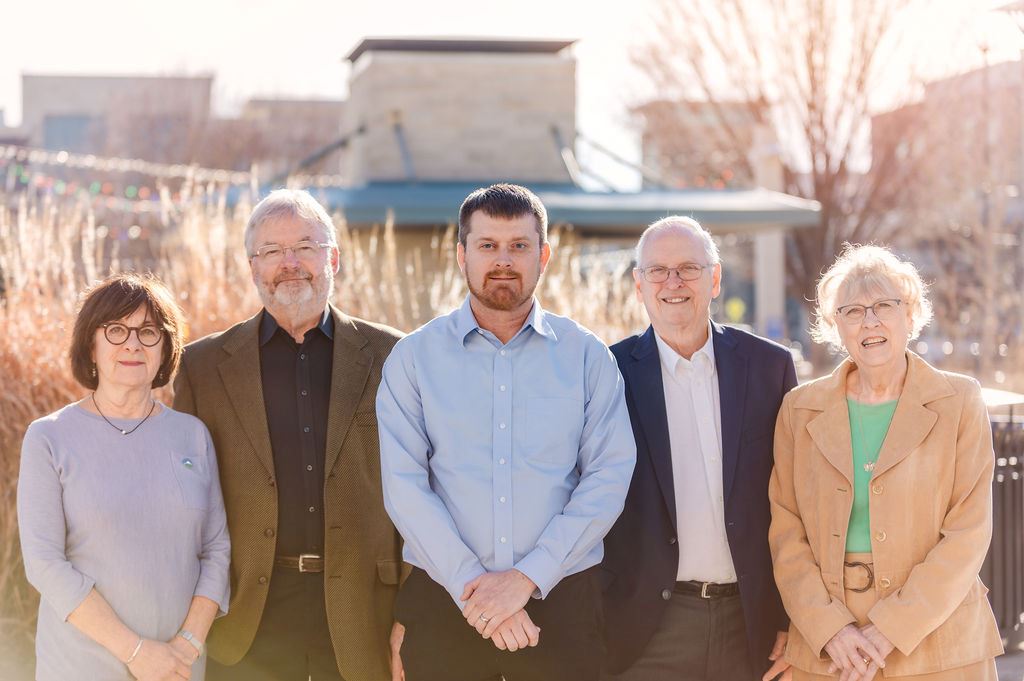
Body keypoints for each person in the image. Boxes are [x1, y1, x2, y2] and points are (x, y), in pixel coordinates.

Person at [377, 183, 636, 681]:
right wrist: (476, 589)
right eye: (487, 245)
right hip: (446, 606)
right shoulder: (413, 358)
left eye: (519, 246)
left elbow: (607, 478)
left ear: (544, 255)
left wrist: (525, 580)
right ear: (461, 254)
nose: (503, 260)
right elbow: (404, 488)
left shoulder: (586, 357)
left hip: (562, 607)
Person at [172, 189, 405, 681]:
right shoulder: (203, 366)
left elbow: (422, 491)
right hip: (248, 618)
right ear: (253, 266)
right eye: (272, 251)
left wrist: (413, 613)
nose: (290, 263)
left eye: (305, 246)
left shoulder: (394, 357)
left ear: (333, 258)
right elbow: (185, 499)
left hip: (364, 611)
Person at [768, 244, 1004, 680]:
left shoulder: (960, 402)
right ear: (835, 326)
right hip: (829, 651)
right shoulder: (799, 411)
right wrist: (829, 628)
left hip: (939, 645)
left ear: (911, 315)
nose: (870, 321)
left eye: (884, 306)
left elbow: (968, 533)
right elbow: (786, 533)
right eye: (852, 311)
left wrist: (891, 628)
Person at [601, 217, 797, 681]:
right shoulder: (606, 373)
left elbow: (800, 500)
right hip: (644, 630)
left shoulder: (769, 367)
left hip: (752, 626)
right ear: (638, 284)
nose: (673, 282)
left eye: (688, 268)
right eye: (658, 271)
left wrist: (796, 620)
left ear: (714, 278)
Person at [18, 272, 229, 681]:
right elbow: (44, 564)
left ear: (166, 347)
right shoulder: (49, 437)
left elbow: (217, 549)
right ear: (90, 345)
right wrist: (136, 653)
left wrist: (185, 647)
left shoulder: (192, 435)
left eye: (149, 331)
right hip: (81, 667)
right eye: (116, 329)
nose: (133, 343)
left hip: (177, 669)